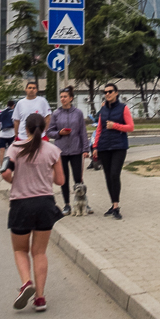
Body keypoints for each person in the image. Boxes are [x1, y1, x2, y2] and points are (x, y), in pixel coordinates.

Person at [1, 112, 63, 312]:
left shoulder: (15, 148)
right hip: (45, 204)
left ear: (25, 129)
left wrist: (15, 181)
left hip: (21, 204)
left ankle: (27, 282)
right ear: (44, 129)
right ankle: (40, 298)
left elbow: (5, 172)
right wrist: (46, 173)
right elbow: (60, 181)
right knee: (40, 252)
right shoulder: (53, 150)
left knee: (20, 250)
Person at [46, 86, 91, 216]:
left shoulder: (78, 113)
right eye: (61, 97)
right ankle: (67, 204)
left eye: (65, 97)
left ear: (71, 98)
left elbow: (83, 132)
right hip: (61, 151)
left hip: (76, 150)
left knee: (78, 178)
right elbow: (49, 132)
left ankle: (83, 202)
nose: (63, 99)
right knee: (63, 178)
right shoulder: (56, 114)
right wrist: (59, 133)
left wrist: (85, 148)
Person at [92, 83, 135, 219]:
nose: (107, 94)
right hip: (104, 146)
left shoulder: (123, 108)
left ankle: (116, 207)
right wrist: (95, 146)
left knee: (115, 174)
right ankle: (113, 204)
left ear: (116, 93)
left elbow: (130, 127)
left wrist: (115, 126)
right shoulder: (103, 110)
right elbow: (99, 129)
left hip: (119, 146)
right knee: (108, 176)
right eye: (105, 92)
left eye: (110, 91)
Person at [0, 100, 16, 169]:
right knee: (11, 151)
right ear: (13, 105)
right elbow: (15, 123)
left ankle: (2, 167)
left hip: (2, 135)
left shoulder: (1, 113)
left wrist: (1, 125)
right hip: (11, 134)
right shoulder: (13, 113)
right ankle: (10, 167)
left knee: (2, 151)